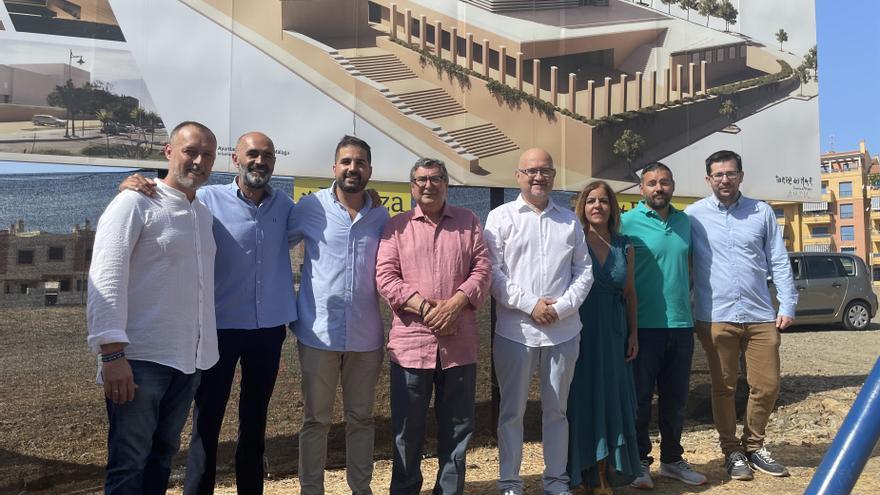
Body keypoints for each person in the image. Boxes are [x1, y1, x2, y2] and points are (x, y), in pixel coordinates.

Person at [87, 121, 219, 493]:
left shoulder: (203, 214)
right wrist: (111, 355)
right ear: (168, 152)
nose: (198, 161)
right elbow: (106, 275)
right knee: (128, 463)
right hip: (139, 361)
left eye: (207, 155)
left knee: (162, 456)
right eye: (190, 151)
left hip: (187, 361)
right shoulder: (134, 202)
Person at [376, 158, 491, 495]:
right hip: (411, 347)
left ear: (446, 184)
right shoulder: (395, 226)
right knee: (407, 431)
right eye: (421, 179)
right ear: (412, 186)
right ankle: (405, 489)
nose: (428, 185)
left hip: (459, 347)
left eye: (436, 178)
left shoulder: (469, 221)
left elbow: (483, 268)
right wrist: (427, 309)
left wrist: (456, 303)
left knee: (457, 429)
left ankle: (450, 491)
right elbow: (385, 277)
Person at [484, 148, 593, 495]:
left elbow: (585, 271)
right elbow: (493, 273)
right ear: (518, 176)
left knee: (557, 412)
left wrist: (560, 309)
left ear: (553, 175)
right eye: (531, 171)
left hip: (563, 331)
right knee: (511, 413)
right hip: (516, 332)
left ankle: (556, 481)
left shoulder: (569, 220)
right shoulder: (500, 218)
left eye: (545, 170)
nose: (538, 177)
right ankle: (510, 482)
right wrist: (531, 305)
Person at [686, 150, 796, 481]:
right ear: (708, 179)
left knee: (767, 385)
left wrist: (787, 304)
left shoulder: (761, 212)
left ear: (741, 176)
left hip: (760, 313)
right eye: (718, 175)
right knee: (724, 387)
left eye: (730, 173)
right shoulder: (693, 216)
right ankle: (731, 450)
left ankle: (755, 445)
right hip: (715, 314)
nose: (724, 179)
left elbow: (778, 259)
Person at [291, 135, 390, 495]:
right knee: (315, 420)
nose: (352, 168)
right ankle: (310, 489)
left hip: (366, 338)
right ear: (334, 168)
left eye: (360, 162)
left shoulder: (382, 215)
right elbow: (270, 240)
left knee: (361, 420)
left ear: (369, 170)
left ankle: (360, 489)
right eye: (346, 162)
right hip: (318, 334)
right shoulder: (309, 207)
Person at [619, 162, 707, 489]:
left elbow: (693, 266)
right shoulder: (626, 222)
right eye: (652, 183)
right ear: (642, 189)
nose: (659, 188)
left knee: (675, 398)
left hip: (681, 325)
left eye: (665, 182)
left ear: (673, 185)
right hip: (643, 327)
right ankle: (640, 462)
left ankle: (672, 460)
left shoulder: (686, 222)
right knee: (641, 398)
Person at [566, 181, 640, 493]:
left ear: (612, 207)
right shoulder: (572, 241)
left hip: (614, 333)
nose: (597, 206)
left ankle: (608, 472)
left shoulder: (625, 245)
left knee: (612, 399)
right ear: (582, 207)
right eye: (591, 201)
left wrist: (633, 332)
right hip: (579, 332)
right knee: (582, 402)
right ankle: (584, 474)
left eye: (604, 201)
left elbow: (630, 292)